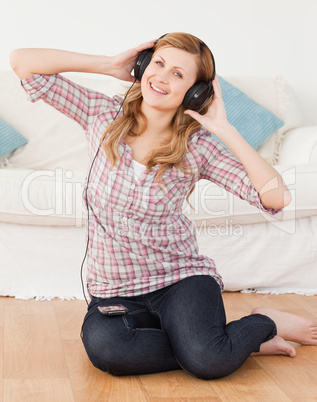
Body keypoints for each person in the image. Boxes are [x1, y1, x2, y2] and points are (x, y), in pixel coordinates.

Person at [10, 32, 317, 380]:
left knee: (208, 362)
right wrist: (109, 65)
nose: (162, 77)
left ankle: (262, 324)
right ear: (142, 66)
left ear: (195, 93)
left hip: (179, 281)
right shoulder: (101, 114)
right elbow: (22, 62)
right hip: (116, 292)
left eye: (178, 74)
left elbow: (277, 196)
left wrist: (225, 129)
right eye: (158, 64)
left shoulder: (197, 147)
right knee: (109, 350)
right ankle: (227, 341)